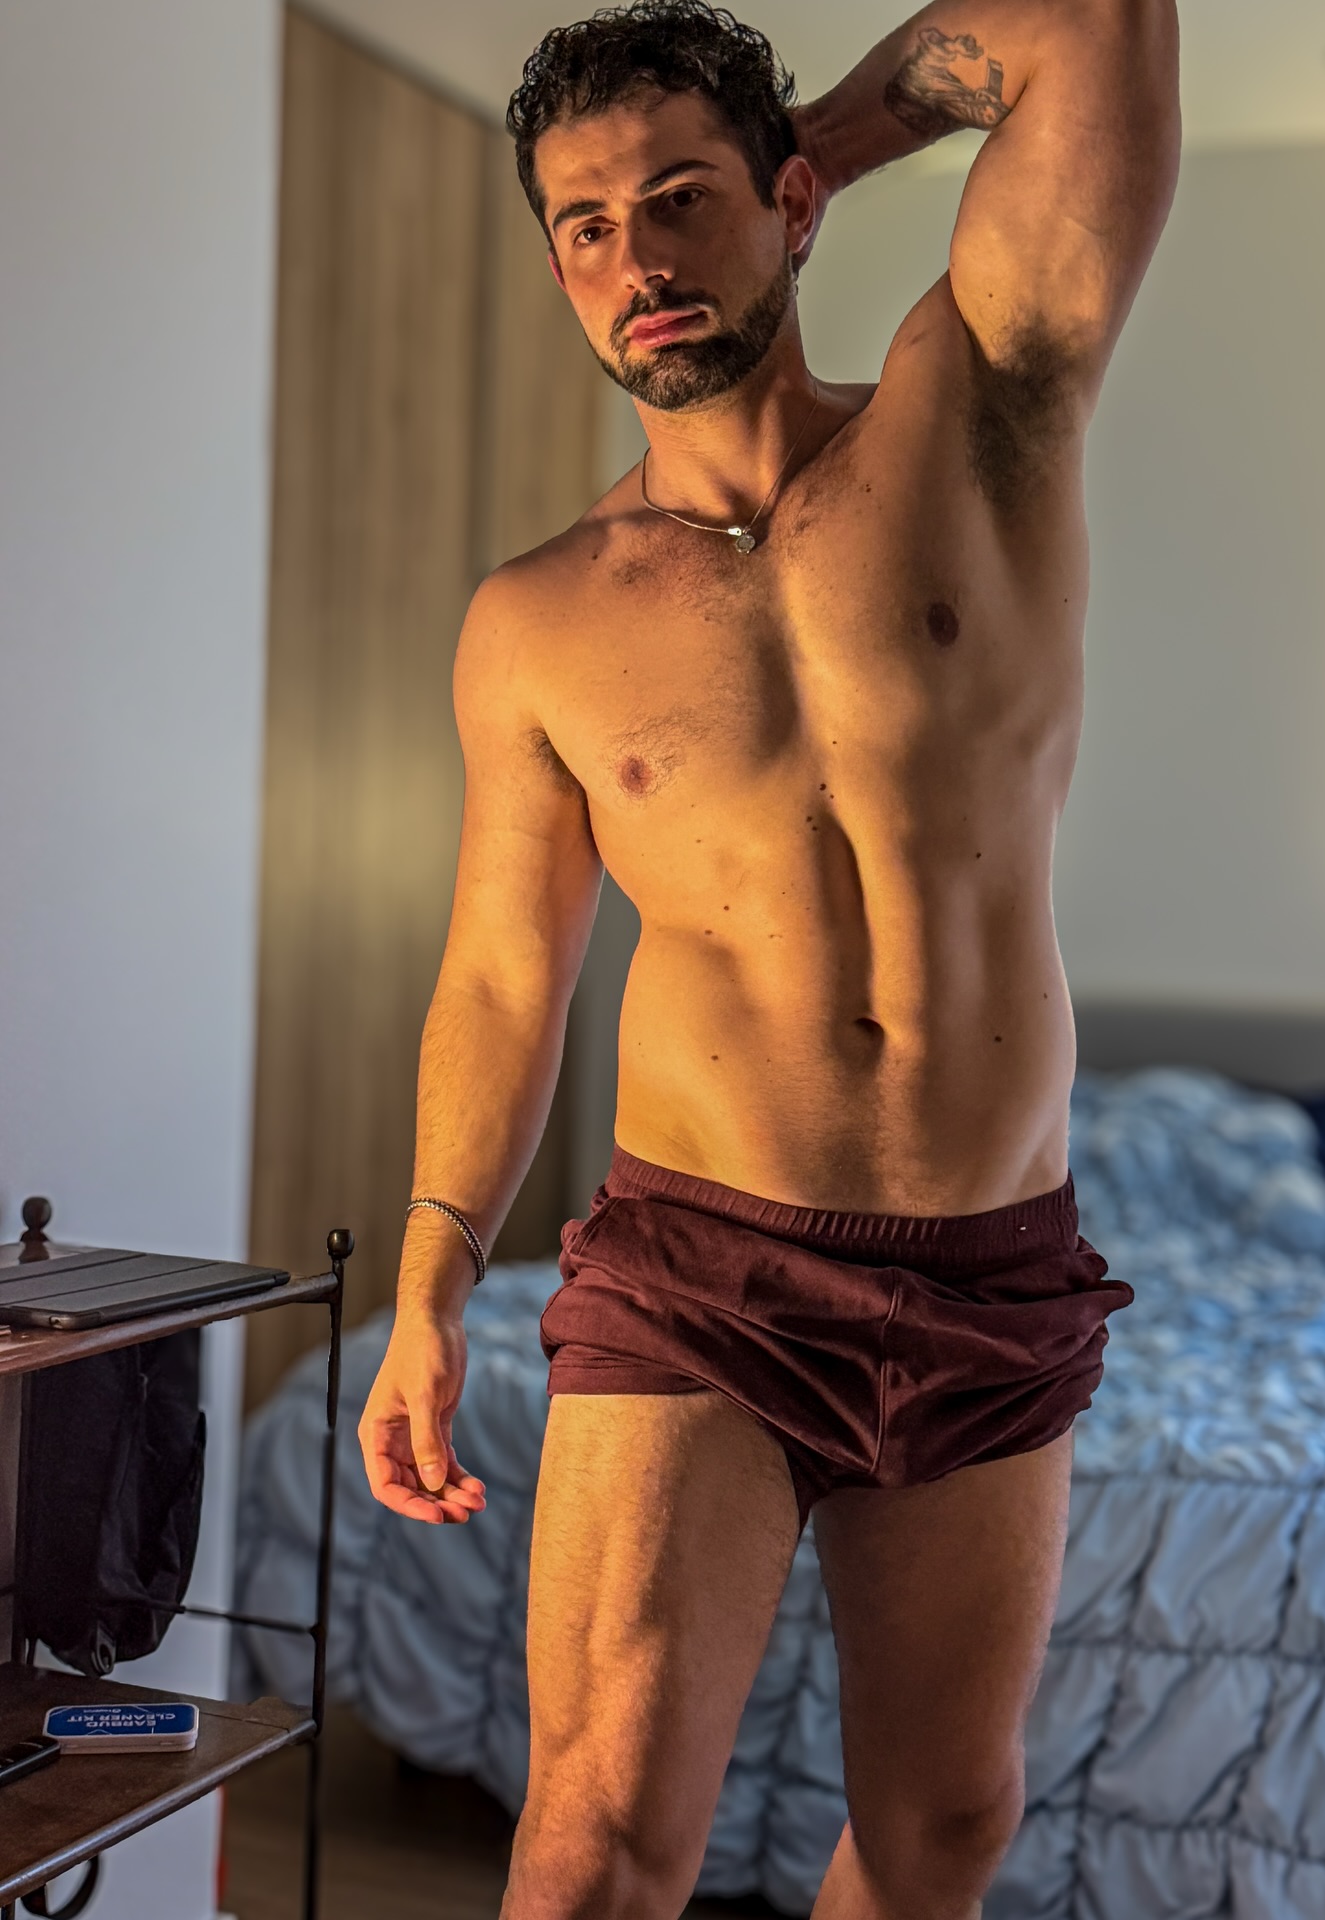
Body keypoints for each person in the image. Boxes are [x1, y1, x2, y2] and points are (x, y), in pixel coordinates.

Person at [358, 2, 1180, 1913]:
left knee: (945, 1827)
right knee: (595, 1842)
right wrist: (428, 1277)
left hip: (988, 1262)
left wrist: (820, 145)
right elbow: (503, 973)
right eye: (585, 225)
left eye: (681, 199)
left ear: (791, 201)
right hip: (700, 1269)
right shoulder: (536, 621)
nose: (636, 260)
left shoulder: (984, 412)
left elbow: (1095, 23)